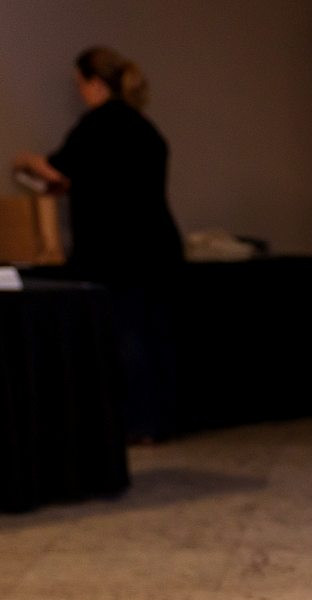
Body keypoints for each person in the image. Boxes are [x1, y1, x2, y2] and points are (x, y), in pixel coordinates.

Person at [13, 46, 182, 440]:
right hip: (157, 245)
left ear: (95, 84)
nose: (79, 93)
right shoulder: (144, 128)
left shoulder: (97, 125)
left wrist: (25, 161)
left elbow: (57, 169)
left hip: (115, 250)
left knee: (125, 336)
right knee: (156, 334)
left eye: (80, 84)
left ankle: (137, 422)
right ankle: (161, 420)